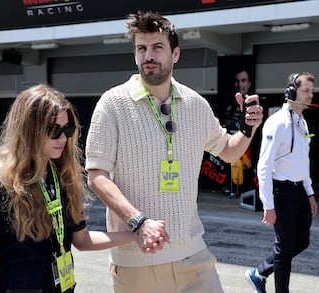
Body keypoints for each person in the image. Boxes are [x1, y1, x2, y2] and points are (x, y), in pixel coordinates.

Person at [85, 11, 263, 293]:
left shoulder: (195, 104)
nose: (148, 56)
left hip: (193, 253)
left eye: (157, 47)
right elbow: (96, 175)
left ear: (175, 54)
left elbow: (229, 152)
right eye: (141, 49)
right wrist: (138, 222)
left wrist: (248, 128)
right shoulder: (112, 104)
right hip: (137, 260)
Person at [0, 84, 136, 293]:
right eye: (53, 130)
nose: (63, 138)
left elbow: (83, 239)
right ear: (28, 131)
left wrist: (135, 234)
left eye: (67, 129)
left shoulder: (61, 179)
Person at [245, 72, 318, 293]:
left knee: (302, 242)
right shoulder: (276, 123)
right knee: (285, 250)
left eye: (311, 91)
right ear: (291, 92)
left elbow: (302, 162)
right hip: (281, 191)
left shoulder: (302, 123)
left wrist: (310, 193)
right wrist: (268, 205)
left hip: (299, 191)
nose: (310, 95)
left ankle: (258, 273)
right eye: (306, 91)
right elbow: (264, 166)